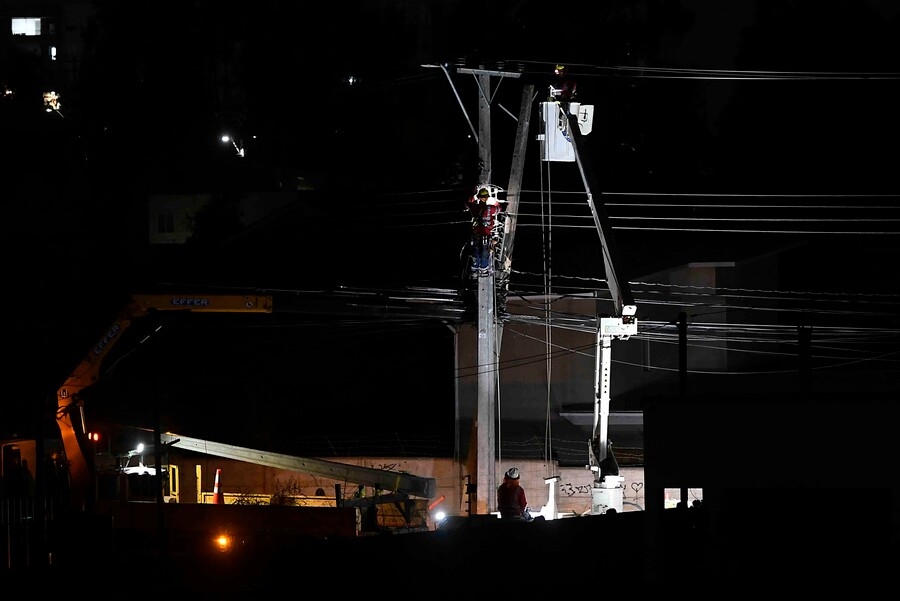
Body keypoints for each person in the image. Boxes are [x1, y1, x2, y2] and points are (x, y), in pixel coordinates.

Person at [466, 186, 503, 275]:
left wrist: (474, 197)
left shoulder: (474, 207)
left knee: (476, 248)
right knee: (485, 249)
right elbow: (500, 208)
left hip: (477, 233)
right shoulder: (491, 208)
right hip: (486, 232)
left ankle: (474, 267)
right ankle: (484, 267)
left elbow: (467, 203)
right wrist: (495, 202)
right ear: (487, 197)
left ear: (479, 197)